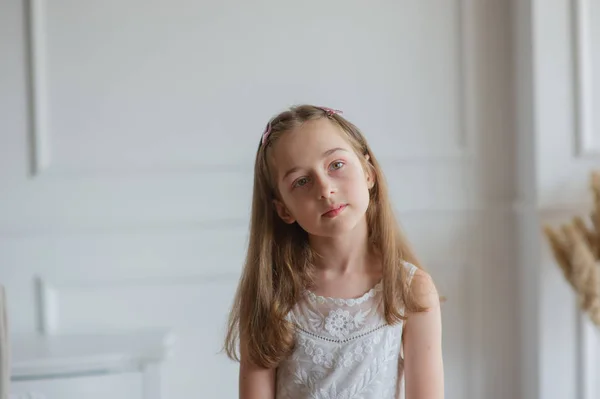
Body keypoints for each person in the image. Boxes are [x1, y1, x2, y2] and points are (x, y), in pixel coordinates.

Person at [224, 104, 444, 398]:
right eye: (302, 181)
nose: (325, 189)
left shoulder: (411, 289)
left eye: (336, 165)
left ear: (368, 172)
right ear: (283, 209)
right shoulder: (271, 293)